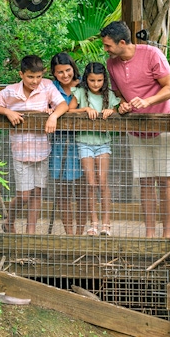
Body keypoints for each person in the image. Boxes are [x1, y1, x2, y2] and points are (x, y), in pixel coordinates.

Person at [100, 21, 170, 238]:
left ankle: (167, 233)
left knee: (165, 180)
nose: (106, 50)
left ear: (122, 42)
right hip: (136, 129)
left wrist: (148, 101)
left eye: (108, 45)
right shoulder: (111, 64)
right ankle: (150, 233)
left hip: (163, 125)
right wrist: (122, 103)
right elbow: (119, 92)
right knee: (145, 181)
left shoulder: (152, 54)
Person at [0, 55, 68, 234]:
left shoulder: (47, 86)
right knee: (24, 195)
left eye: (38, 77)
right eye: (30, 77)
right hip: (20, 151)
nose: (35, 81)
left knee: (37, 192)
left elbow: (62, 105)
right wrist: (7, 111)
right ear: (21, 74)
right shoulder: (11, 91)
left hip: (42, 150)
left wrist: (53, 116)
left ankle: (31, 232)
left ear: (43, 74)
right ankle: (9, 220)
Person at [69, 62, 121, 236]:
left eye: (99, 80)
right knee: (91, 183)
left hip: (103, 143)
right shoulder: (80, 93)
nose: (96, 84)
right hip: (84, 142)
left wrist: (110, 111)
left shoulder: (109, 95)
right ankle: (94, 222)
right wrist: (84, 109)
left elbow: (117, 109)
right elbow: (69, 111)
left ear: (104, 80)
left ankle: (106, 223)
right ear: (86, 79)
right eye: (92, 80)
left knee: (102, 181)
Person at [48, 52, 86, 235]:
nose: (65, 75)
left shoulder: (84, 85)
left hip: (81, 141)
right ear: (54, 73)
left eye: (68, 70)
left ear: (73, 68)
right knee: (62, 192)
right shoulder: (50, 87)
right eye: (60, 72)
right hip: (59, 143)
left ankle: (80, 233)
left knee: (82, 191)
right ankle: (69, 234)